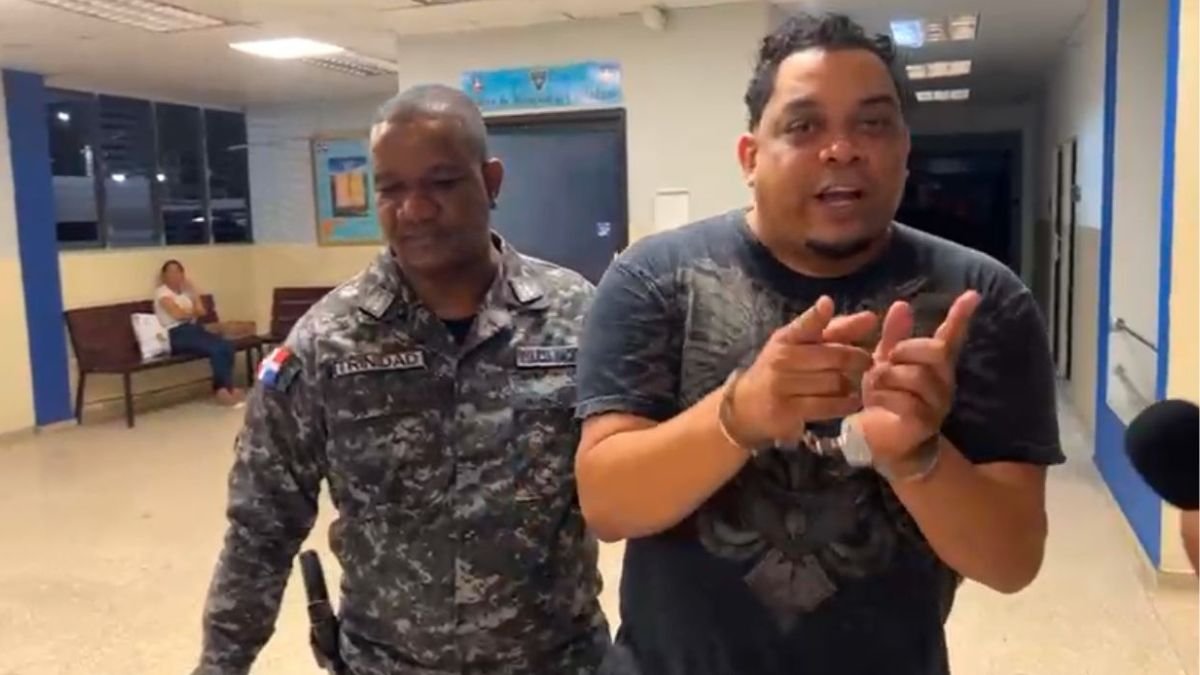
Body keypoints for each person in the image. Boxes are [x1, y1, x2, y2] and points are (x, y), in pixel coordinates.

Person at [575, 13, 1063, 675]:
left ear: (904, 149)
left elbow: (1011, 561)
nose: (842, 149)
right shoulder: (653, 279)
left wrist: (919, 455)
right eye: (804, 126)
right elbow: (607, 504)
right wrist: (737, 416)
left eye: (873, 123)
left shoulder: (980, 299)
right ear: (750, 157)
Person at [193, 84, 609, 675]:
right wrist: (219, 666)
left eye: (442, 183)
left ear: (490, 181)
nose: (414, 210)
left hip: (557, 662)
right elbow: (260, 526)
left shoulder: (578, 318)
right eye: (391, 189)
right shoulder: (326, 342)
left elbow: (643, 486)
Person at [156, 259, 243, 406]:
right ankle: (221, 390)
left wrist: (193, 291)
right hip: (175, 334)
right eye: (170, 272)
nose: (174, 275)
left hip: (193, 330)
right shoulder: (162, 292)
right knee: (216, 348)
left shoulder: (185, 293)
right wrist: (191, 312)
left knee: (226, 345)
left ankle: (227, 387)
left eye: (178, 271)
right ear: (164, 276)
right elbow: (177, 315)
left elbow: (201, 311)